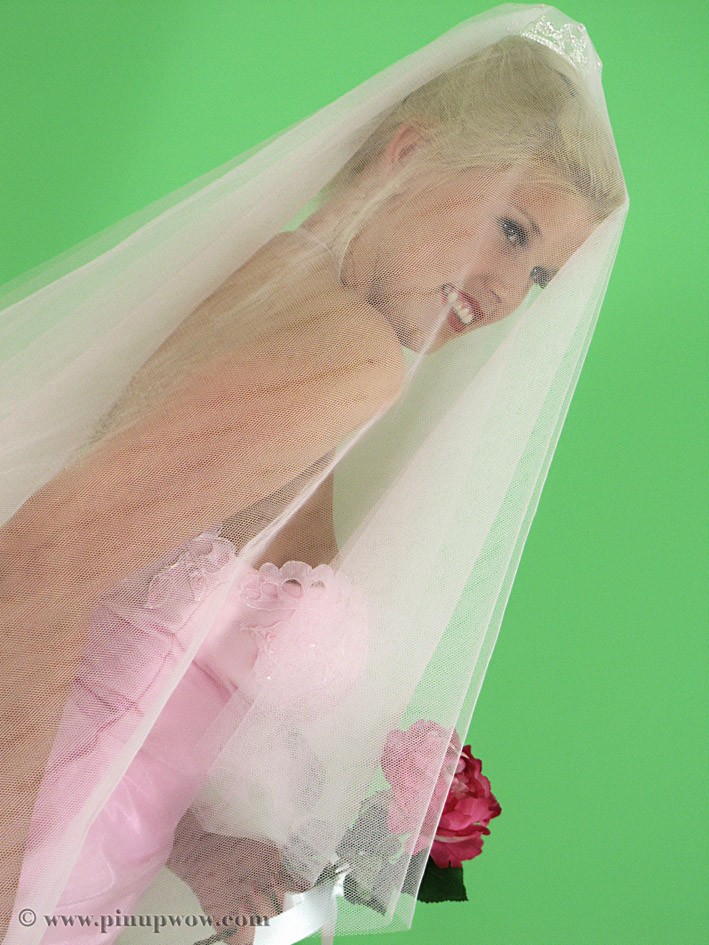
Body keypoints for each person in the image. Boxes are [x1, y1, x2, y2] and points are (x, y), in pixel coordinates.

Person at [1, 10, 628, 944]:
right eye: (509, 229)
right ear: (407, 153)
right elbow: (41, 562)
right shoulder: (353, 357)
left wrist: (198, 843)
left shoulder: (267, 281)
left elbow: (123, 627)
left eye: (538, 274)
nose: (505, 291)